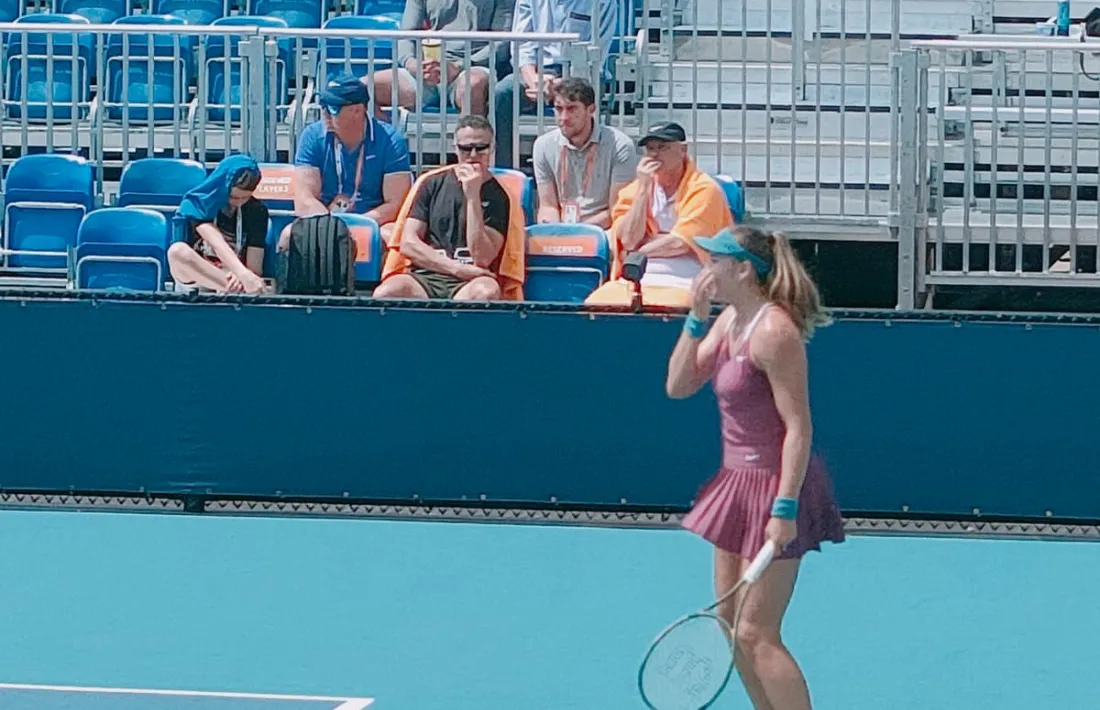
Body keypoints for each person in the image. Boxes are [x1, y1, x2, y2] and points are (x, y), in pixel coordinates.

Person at [664, 226, 845, 710]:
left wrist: (784, 510)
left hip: (777, 488)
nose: (707, 270)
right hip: (734, 487)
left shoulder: (774, 331)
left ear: (743, 270)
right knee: (730, 627)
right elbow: (678, 385)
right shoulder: (726, 323)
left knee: (757, 631)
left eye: (715, 261)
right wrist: (696, 319)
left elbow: (798, 428)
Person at [375, 115, 526, 301]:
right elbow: (408, 244)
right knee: (387, 292)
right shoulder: (431, 182)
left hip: (473, 279)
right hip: (428, 274)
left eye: (481, 148)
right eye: (465, 148)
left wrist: (472, 197)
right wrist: (455, 268)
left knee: (486, 291)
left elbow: (482, 258)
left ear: (492, 149)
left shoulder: (500, 195)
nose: (472, 155)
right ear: (455, 147)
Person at [585, 121, 734, 307]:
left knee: (669, 306)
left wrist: (639, 251)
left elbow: (681, 243)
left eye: (663, 147)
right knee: (595, 303)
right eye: (650, 149)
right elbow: (629, 239)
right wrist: (643, 189)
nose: (654, 154)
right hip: (635, 274)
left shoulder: (705, 189)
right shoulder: (635, 189)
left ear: (682, 150)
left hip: (686, 278)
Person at [291, 73, 412, 244]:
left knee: (390, 237)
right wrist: (331, 228)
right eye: (323, 105)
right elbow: (305, 200)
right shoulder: (311, 136)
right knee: (288, 236)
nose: (324, 112)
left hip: (372, 220)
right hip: (324, 219)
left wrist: (355, 226)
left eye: (333, 108)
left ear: (357, 110)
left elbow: (395, 204)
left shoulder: (390, 140)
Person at [494, 0, 616, 167]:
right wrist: (534, 81)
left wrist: (559, 85)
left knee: (575, 100)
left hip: (582, 74)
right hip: (537, 72)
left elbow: (597, 55)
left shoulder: (603, 3)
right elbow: (522, 45)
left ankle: (578, 169)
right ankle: (503, 172)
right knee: (502, 92)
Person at [372, 0, 512, 116]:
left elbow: (502, 43)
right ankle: (388, 143)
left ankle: (468, 146)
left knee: (472, 84)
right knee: (364, 87)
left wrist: (459, 66)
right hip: (427, 68)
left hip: (474, 66)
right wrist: (413, 64)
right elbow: (405, 36)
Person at [531, 77, 636, 229]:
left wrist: (577, 233)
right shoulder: (543, 145)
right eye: (559, 109)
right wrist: (554, 230)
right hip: (561, 228)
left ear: (591, 109)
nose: (564, 118)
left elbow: (616, 211)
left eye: (572, 109)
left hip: (605, 230)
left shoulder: (620, 145)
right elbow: (548, 206)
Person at [167, 154, 270, 294]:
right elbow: (215, 242)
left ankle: (237, 290)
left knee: (251, 281)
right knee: (177, 252)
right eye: (233, 197)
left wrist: (245, 274)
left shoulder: (257, 211)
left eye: (245, 198)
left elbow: (255, 264)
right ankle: (237, 290)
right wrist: (241, 272)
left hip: (235, 279)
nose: (238, 202)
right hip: (198, 277)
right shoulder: (197, 204)